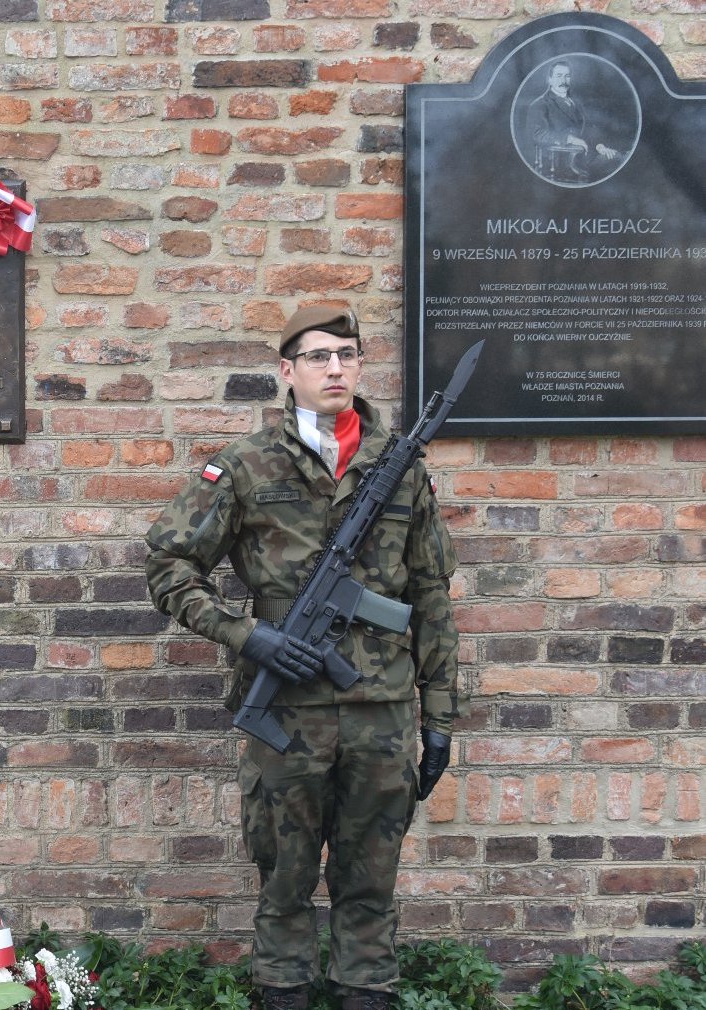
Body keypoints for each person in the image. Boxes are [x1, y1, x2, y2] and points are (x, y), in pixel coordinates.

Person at [143, 307, 458, 1010]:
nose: (336, 369)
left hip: (380, 714)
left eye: (347, 355)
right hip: (286, 712)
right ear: (288, 372)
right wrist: (245, 635)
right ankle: (281, 993)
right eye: (318, 357)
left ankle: (364, 991)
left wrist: (439, 719)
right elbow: (168, 565)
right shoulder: (248, 465)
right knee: (283, 885)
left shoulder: (399, 466)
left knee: (371, 884)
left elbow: (432, 597)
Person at [523, 61, 621, 183]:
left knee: (618, 157)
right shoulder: (540, 105)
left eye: (567, 76)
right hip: (560, 162)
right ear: (550, 79)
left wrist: (600, 146)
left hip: (585, 156)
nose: (563, 80)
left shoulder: (576, 103)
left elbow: (589, 129)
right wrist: (569, 139)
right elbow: (537, 134)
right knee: (618, 162)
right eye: (559, 76)